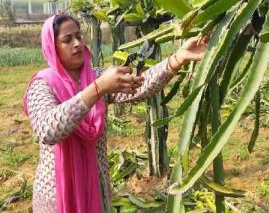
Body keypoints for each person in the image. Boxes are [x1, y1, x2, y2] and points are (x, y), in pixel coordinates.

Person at [23, 13, 208, 213]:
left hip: (97, 187)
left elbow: (140, 86)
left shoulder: (96, 76)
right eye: (67, 40)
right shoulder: (42, 86)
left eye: (78, 36)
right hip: (55, 197)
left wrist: (177, 59)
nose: (76, 43)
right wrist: (97, 89)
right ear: (52, 46)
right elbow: (48, 131)